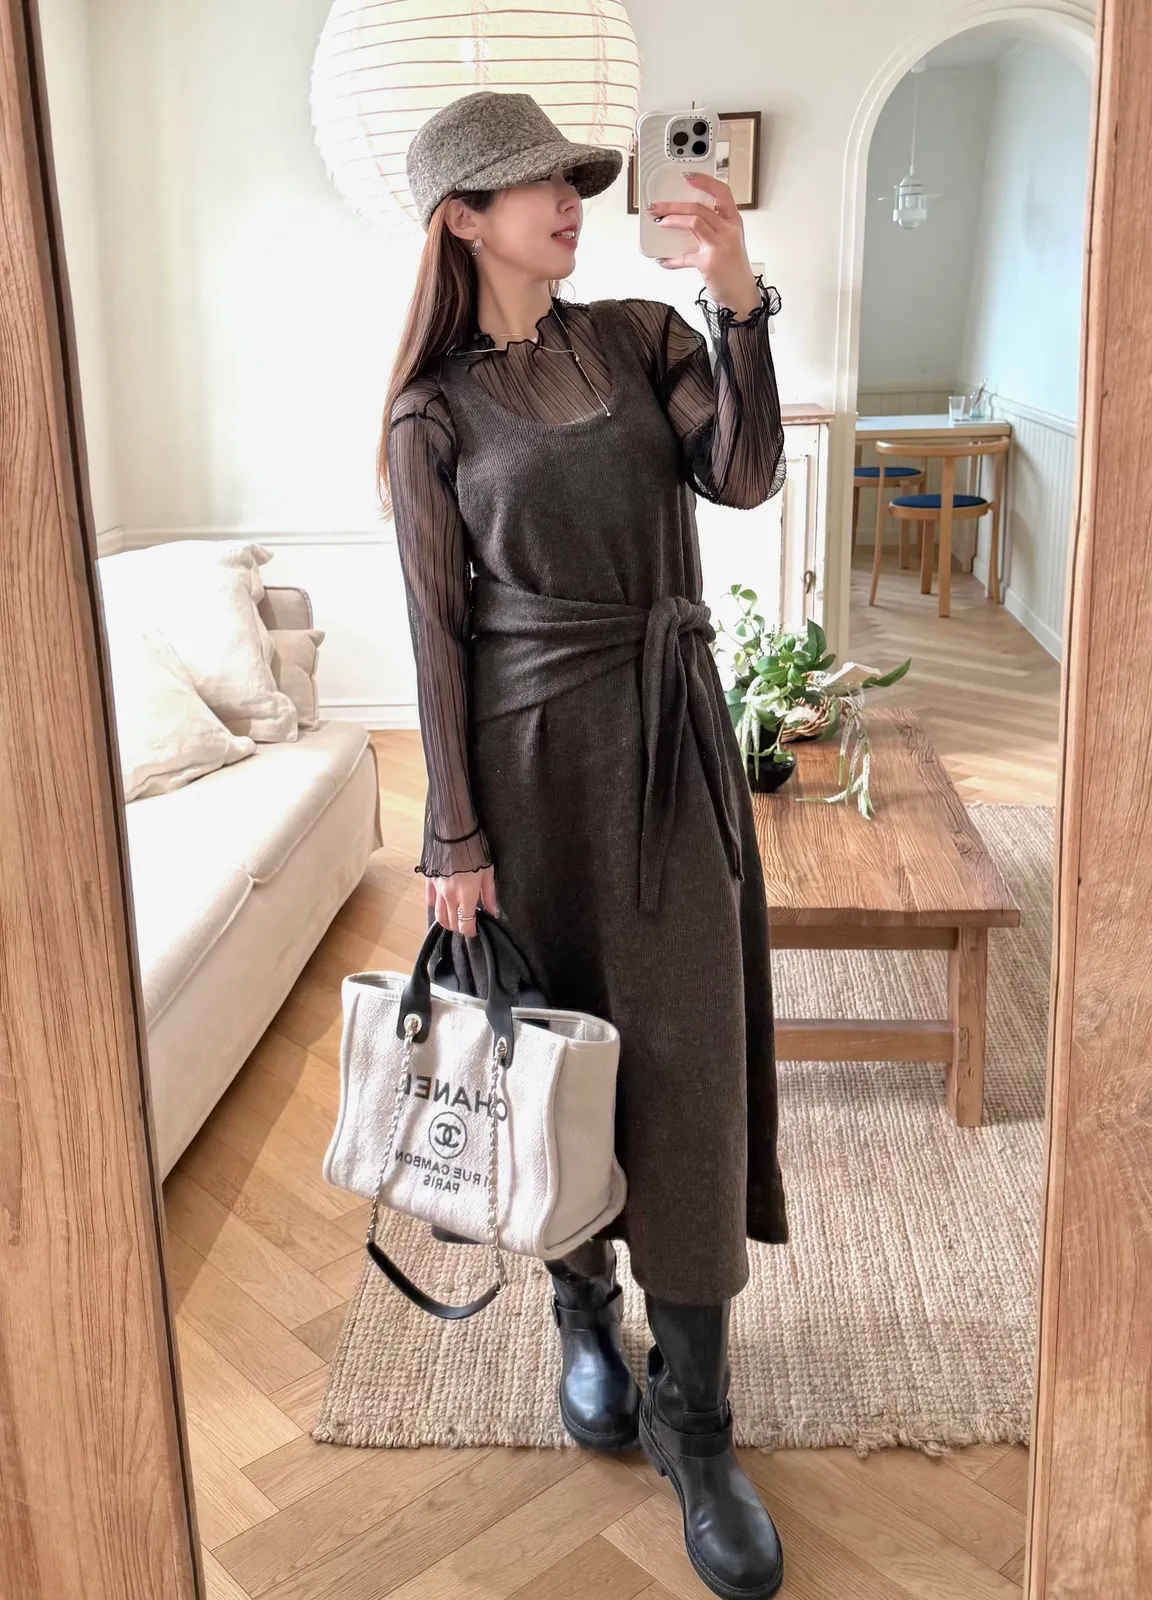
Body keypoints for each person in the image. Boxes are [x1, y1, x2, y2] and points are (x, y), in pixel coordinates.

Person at [382, 90, 789, 1600]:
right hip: (526, 770)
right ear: (461, 220)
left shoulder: (640, 339)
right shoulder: (429, 418)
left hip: (667, 743)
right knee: (553, 1059)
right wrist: (453, 833)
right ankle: (579, 1311)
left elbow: (742, 476)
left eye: (570, 177)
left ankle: (701, 1426)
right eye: (530, 183)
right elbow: (436, 637)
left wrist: (737, 298)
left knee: (684, 1064)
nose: (566, 198)